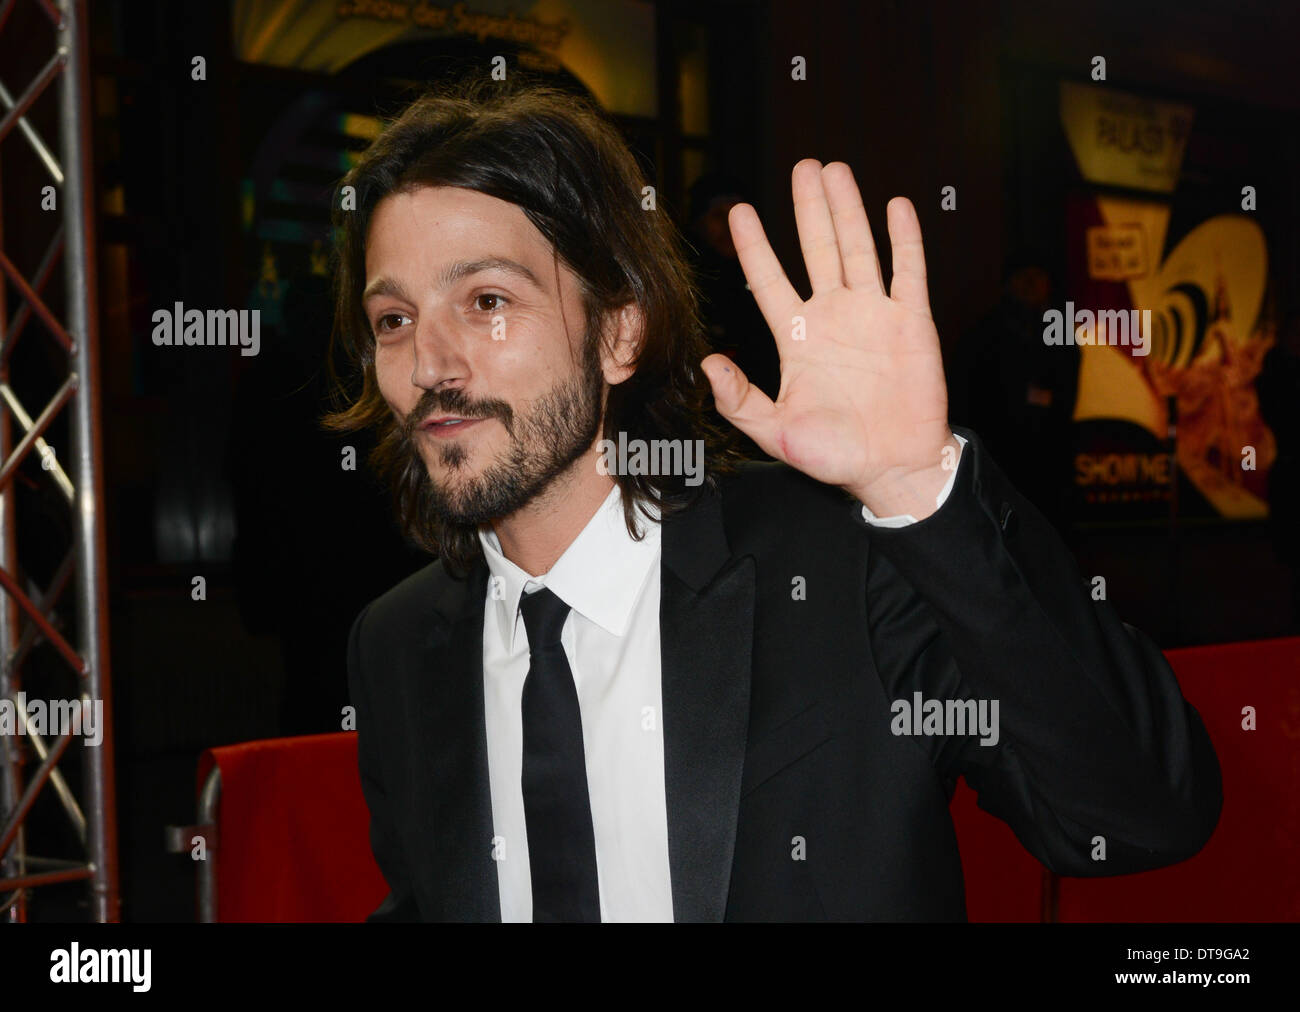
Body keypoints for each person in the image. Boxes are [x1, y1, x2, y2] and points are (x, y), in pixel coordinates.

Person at [325, 76, 1221, 922]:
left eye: (486, 300)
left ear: (619, 332)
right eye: (394, 320)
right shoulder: (398, 645)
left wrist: (919, 490)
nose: (431, 364)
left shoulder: (840, 562)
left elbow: (1141, 815)